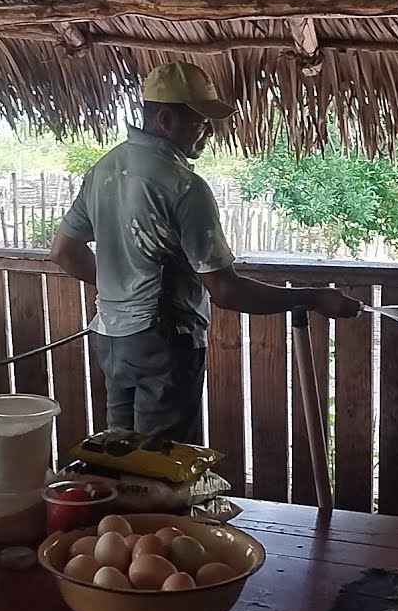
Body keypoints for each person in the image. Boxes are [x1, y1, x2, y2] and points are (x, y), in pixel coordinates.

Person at [50, 61, 363, 445]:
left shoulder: (104, 169)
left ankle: (116, 508)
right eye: (200, 120)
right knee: (158, 466)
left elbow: (64, 251)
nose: (209, 131)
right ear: (166, 119)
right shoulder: (183, 187)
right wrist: (314, 298)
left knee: (120, 454)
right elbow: (226, 291)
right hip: (162, 342)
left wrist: (124, 284)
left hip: (111, 339)